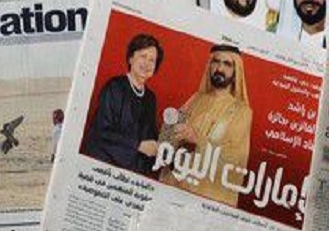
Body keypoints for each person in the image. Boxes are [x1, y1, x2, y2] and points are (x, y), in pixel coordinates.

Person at [161, 44, 253, 205]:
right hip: (177, 190)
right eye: (216, 62)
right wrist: (171, 130)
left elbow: (235, 159)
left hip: (208, 197)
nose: (220, 68)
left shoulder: (242, 112)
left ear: (236, 72)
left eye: (227, 64)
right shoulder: (195, 99)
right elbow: (166, 137)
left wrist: (198, 140)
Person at [83, 34, 162, 173]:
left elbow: (150, 136)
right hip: (104, 167)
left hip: (134, 172)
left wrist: (166, 142)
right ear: (131, 58)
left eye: (152, 60)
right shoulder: (114, 87)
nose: (147, 63)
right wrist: (138, 146)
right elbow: (102, 132)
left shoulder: (150, 98)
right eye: (143, 56)